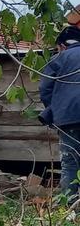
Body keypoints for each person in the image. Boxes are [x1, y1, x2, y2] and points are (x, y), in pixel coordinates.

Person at [40, 26, 80, 199]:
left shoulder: (60, 58)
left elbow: (44, 87)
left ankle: (70, 209)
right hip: (68, 115)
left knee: (70, 162)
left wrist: (54, 108)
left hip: (68, 118)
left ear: (62, 45)